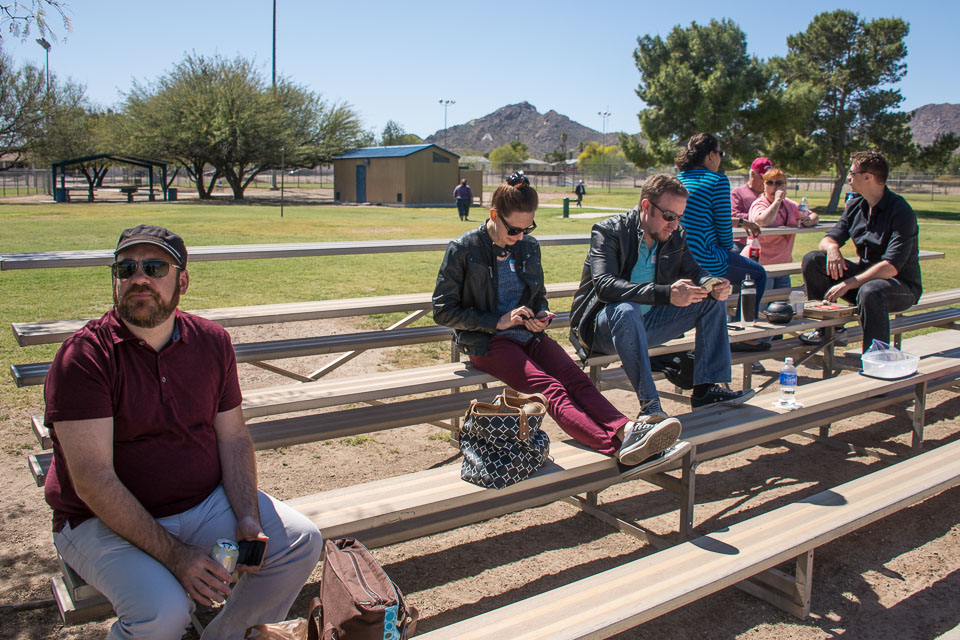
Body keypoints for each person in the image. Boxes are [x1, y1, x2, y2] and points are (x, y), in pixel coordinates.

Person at [43, 225, 323, 639]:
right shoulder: (84, 358)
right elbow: (93, 480)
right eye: (126, 268)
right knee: (164, 611)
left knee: (299, 542)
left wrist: (247, 516)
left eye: (155, 267)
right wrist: (177, 556)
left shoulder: (211, 342)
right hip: (97, 520)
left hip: (202, 504)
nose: (139, 278)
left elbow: (233, 437)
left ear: (183, 281)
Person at [433, 172, 688, 476]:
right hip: (487, 341)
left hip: (528, 335)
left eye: (528, 228)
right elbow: (443, 311)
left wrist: (541, 314)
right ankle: (617, 448)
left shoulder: (528, 246)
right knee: (551, 388)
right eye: (514, 230)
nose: (521, 237)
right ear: (494, 215)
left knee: (577, 379)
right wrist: (497, 321)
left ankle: (628, 431)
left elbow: (538, 295)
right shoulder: (464, 248)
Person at [569, 173, 756, 414]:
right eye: (669, 216)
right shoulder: (610, 231)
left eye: (680, 217)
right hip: (601, 330)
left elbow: (693, 270)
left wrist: (711, 283)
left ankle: (706, 390)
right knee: (626, 309)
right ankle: (650, 406)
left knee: (711, 301)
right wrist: (666, 294)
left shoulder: (675, 234)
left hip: (647, 323)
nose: (675, 224)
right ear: (646, 206)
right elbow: (605, 286)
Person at [800, 150, 922, 349]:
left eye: (852, 173)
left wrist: (849, 283)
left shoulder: (901, 211)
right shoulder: (856, 205)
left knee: (871, 291)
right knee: (814, 260)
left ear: (868, 177)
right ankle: (827, 330)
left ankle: (876, 356)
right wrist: (832, 249)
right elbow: (828, 240)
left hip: (900, 286)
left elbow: (891, 267)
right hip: (863, 281)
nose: (849, 178)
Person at [676, 133, 769, 354]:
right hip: (705, 257)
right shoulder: (717, 181)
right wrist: (730, 247)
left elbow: (699, 215)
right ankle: (742, 334)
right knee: (757, 274)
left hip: (678, 258)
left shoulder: (679, 179)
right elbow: (724, 232)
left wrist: (739, 221)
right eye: (721, 153)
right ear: (711, 155)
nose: (720, 159)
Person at [747, 167, 819, 292]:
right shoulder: (759, 204)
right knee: (761, 302)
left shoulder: (789, 205)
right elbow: (763, 221)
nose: (774, 187)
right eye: (770, 183)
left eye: (779, 183)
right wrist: (777, 201)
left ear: (785, 186)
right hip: (761, 266)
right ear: (764, 185)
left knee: (782, 302)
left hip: (783, 265)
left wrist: (810, 220)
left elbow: (813, 215)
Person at [730, 156, 773, 251]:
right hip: (742, 242)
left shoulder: (771, 195)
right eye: (763, 178)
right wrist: (759, 217)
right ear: (753, 174)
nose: (766, 182)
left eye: (769, 179)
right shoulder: (737, 193)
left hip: (766, 243)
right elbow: (733, 215)